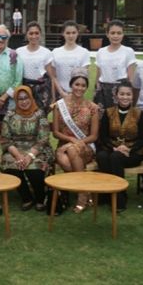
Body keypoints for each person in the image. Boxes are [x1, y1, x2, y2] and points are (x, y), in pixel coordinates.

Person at [96, 81, 143, 212]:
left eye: (128, 94)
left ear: (132, 96)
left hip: (133, 152)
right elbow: (102, 136)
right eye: (122, 94)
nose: (125, 97)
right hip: (112, 148)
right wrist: (114, 148)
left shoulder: (138, 113)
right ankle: (105, 195)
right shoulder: (108, 112)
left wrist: (130, 149)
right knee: (102, 156)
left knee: (115, 158)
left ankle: (120, 198)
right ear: (116, 95)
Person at [52, 68, 100, 213]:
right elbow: (55, 132)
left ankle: (81, 197)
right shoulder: (59, 105)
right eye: (76, 84)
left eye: (83, 85)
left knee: (72, 150)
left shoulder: (93, 107)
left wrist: (78, 143)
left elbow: (94, 136)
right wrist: (71, 139)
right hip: (64, 146)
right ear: (71, 85)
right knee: (65, 155)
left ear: (86, 87)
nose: (79, 88)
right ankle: (86, 191)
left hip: (85, 146)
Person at [0, 86, 54, 212]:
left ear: (31, 98)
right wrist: (18, 156)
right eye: (20, 99)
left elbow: (43, 139)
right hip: (15, 150)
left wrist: (29, 156)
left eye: (26, 98)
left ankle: (40, 198)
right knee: (11, 165)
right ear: (16, 101)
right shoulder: (9, 115)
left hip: (38, 150)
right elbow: (6, 140)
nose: (24, 101)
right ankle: (27, 198)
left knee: (33, 168)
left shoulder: (40, 114)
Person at [94, 20, 137, 113]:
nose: (115, 36)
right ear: (107, 34)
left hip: (120, 91)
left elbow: (131, 77)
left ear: (123, 34)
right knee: (102, 119)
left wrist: (129, 94)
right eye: (112, 33)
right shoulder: (101, 51)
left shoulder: (128, 51)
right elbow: (99, 74)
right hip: (103, 90)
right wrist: (96, 89)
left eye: (119, 33)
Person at [16, 22, 56, 113]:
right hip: (25, 89)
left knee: (41, 116)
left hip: (42, 90)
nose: (34, 36)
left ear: (40, 34)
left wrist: (53, 98)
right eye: (31, 33)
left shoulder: (46, 52)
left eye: (36, 33)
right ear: (26, 35)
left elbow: (52, 77)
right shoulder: (19, 51)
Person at [51, 21, 90, 100]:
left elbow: (83, 77)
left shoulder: (84, 52)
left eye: (73, 33)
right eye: (68, 33)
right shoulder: (55, 52)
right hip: (60, 93)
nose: (71, 36)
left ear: (77, 33)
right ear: (63, 33)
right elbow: (53, 77)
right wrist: (61, 92)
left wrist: (75, 92)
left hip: (77, 93)